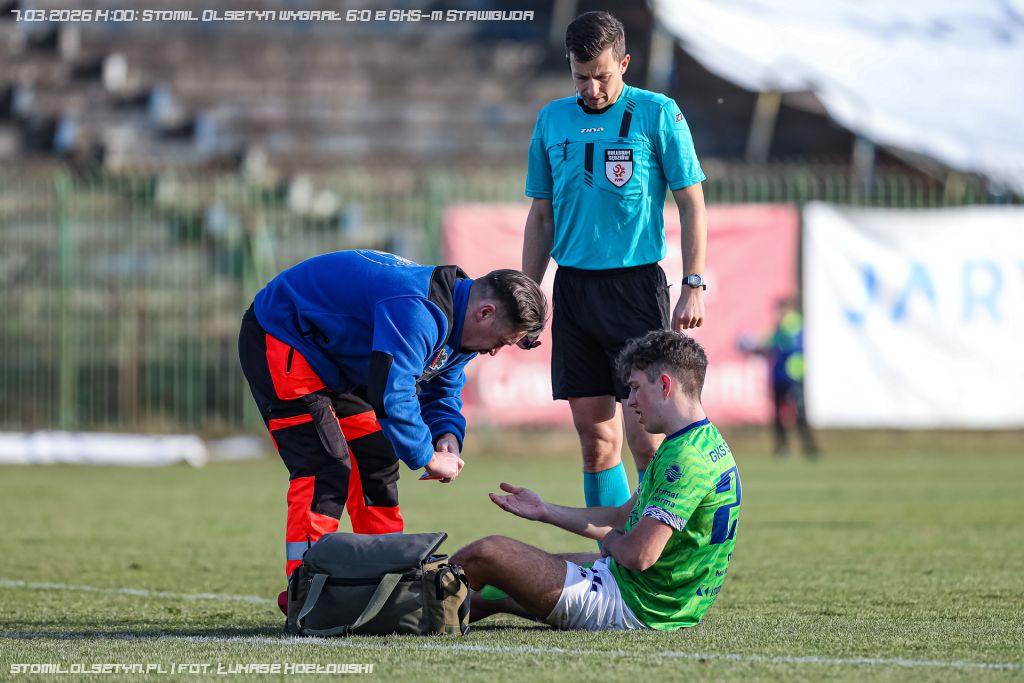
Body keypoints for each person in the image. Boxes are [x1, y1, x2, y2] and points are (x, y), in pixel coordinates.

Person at [237, 249, 547, 612]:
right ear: (485, 313)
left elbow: (442, 389)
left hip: (341, 361)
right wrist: (426, 456)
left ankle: (383, 583)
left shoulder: (462, 320)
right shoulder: (418, 309)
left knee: (378, 464)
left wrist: (446, 435)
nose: (495, 352)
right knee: (325, 469)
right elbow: (391, 395)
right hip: (283, 338)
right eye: (502, 341)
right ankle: (305, 591)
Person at [521, 11, 709, 514]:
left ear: (624, 63)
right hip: (574, 291)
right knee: (596, 441)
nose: (592, 88)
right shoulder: (552, 119)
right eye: (580, 77)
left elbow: (692, 204)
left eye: (602, 76)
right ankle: (611, 553)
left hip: (635, 289)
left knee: (647, 440)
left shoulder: (657, 112)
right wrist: (528, 298)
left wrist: (693, 284)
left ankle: (659, 545)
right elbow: (541, 216)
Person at [452, 330, 740, 631]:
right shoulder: (701, 440)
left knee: (487, 553)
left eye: (635, 388)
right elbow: (622, 517)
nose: (630, 401)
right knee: (494, 589)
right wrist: (544, 510)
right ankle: (428, 614)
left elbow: (639, 555)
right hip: (653, 596)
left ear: (665, 385)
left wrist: (612, 542)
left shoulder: (685, 458)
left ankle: (421, 595)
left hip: (635, 604)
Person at [738, 297, 819, 457]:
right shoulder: (779, 327)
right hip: (779, 376)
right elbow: (770, 346)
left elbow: (783, 345)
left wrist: (760, 345)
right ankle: (783, 448)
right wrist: (755, 348)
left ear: (788, 309)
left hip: (793, 377)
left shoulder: (792, 324)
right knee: (778, 415)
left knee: (799, 413)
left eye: (782, 310)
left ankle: (810, 447)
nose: (779, 313)